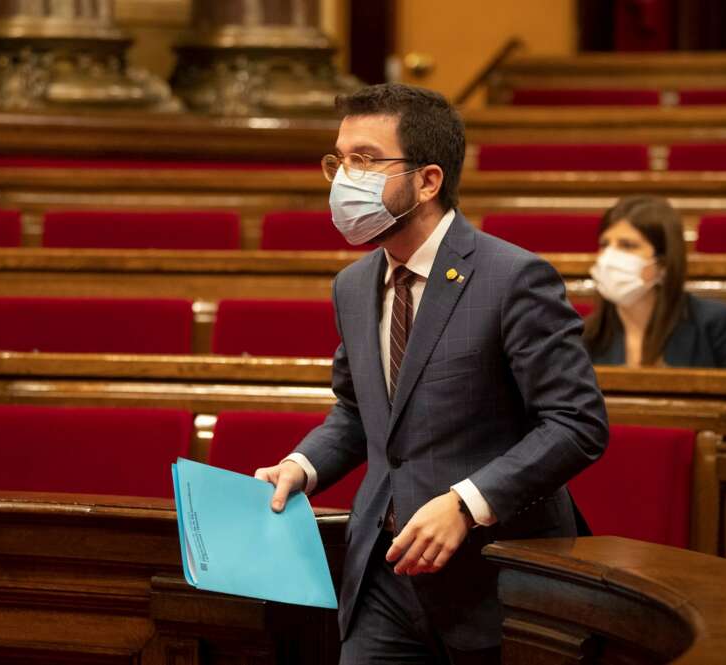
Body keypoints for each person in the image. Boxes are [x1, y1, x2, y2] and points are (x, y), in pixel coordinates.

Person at [254, 83, 608, 665]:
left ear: (428, 181)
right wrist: (302, 465)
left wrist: (468, 502)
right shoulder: (352, 284)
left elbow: (577, 423)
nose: (345, 178)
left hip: (495, 581)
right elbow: (357, 410)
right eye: (339, 161)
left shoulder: (513, 278)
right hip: (383, 577)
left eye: (365, 160)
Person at [583, 195, 726, 368]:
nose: (609, 257)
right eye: (605, 244)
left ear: (663, 262)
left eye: (628, 245)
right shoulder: (586, 335)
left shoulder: (715, 324)